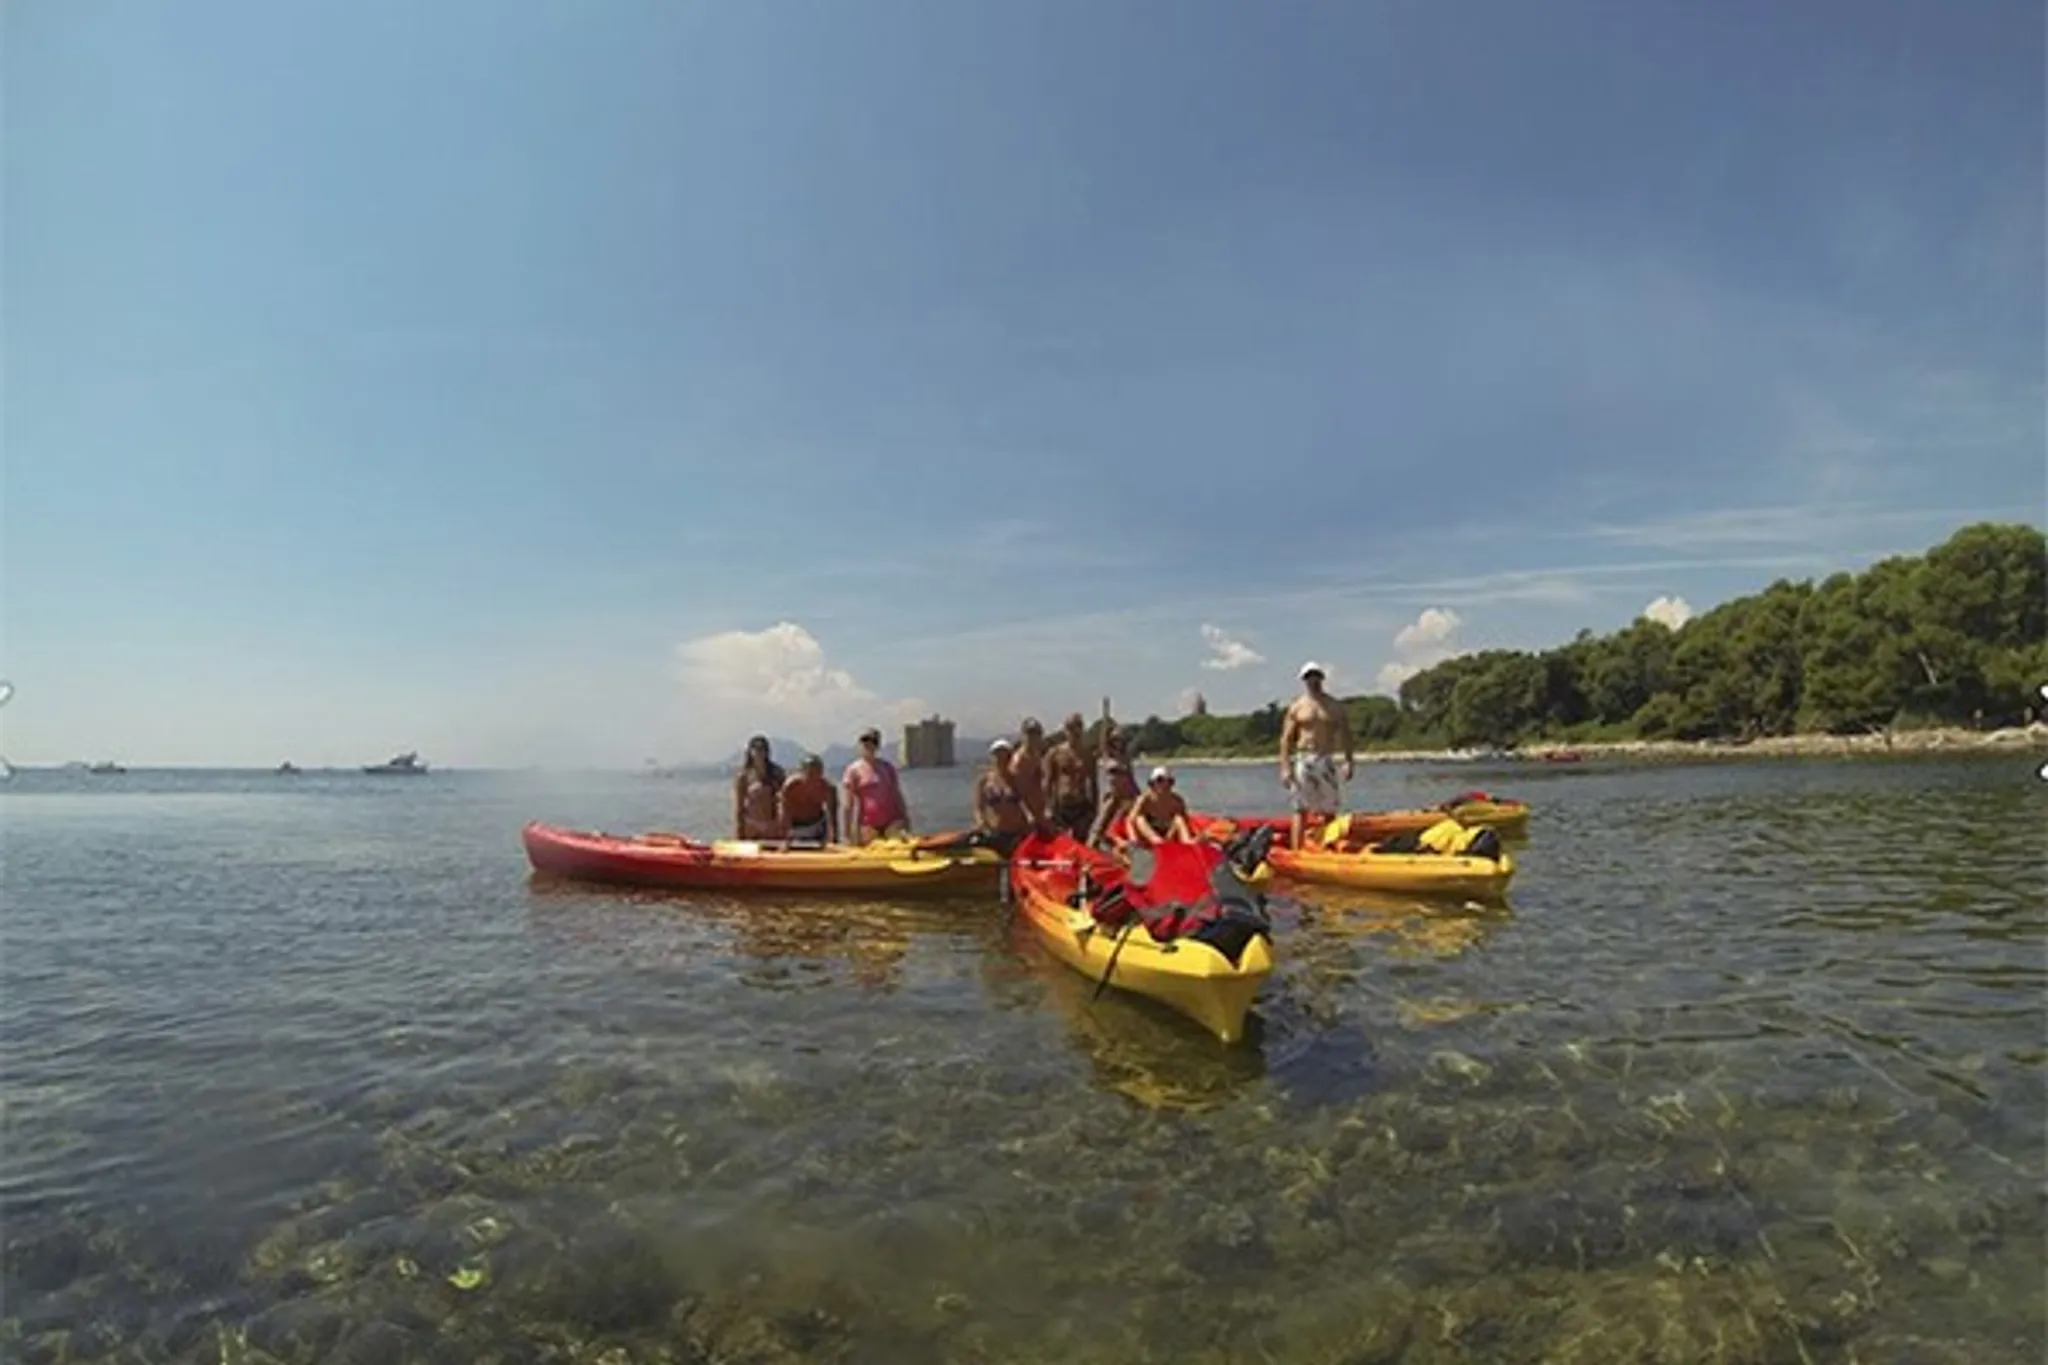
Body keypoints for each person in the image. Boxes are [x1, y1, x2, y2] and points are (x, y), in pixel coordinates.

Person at [1278, 661, 1356, 850]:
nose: (1313, 680)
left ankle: (1329, 847)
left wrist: (1349, 761)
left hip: (1326, 759)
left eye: (1316, 675)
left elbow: (1346, 735)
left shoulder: (1334, 706)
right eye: (1308, 676)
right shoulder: (1297, 707)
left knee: (1329, 808)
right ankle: (1297, 851)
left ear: (1321, 678)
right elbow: (1286, 739)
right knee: (1300, 808)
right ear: (1304, 680)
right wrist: (1285, 767)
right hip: (1304, 759)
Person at [841, 727, 912, 844]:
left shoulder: (887, 767)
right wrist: (847, 834)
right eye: (865, 741)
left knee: (897, 848)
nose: (869, 744)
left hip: (892, 821)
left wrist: (906, 818)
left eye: (873, 741)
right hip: (868, 824)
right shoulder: (853, 770)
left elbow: (897, 794)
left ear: (878, 745)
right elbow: (848, 805)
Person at [1042, 711, 1099, 841]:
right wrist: (1048, 807)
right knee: (1059, 842)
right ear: (1065, 730)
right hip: (1061, 807)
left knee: (1080, 843)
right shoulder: (1055, 753)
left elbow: (1093, 783)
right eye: (1071, 727)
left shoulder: (1088, 755)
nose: (1074, 731)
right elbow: (1047, 782)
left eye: (1078, 726)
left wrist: (1094, 810)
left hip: (1081, 806)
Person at [972, 738, 1032, 854]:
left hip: (1017, 833)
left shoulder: (1017, 780)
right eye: (998, 756)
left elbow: (1027, 803)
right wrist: (981, 822)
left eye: (1004, 756)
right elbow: (978, 807)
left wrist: (1030, 818)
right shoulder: (984, 781)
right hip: (995, 833)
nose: (1001, 759)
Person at [1088, 747, 1142, 850]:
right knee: (1100, 826)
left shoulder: (1125, 760)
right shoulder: (1106, 758)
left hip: (1125, 798)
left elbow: (1131, 781)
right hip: (1113, 797)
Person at [732, 735, 785, 840]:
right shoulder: (744, 776)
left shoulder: (776, 773)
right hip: (752, 824)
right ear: (750, 752)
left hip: (771, 824)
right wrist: (738, 832)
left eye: (763, 748)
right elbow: (739, 806)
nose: (759, 752)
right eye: (756, 748)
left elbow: (784, 801)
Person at [1128, 765, 1195, 845]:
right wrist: (1133, 838)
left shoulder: (1177, 801)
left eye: (1169, 781)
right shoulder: (1145, 799)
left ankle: (1187, 843)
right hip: (1148, 834)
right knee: (1140, 819)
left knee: (1179, 819)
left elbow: (1185, 821)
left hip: (1168, 834)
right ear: (1152, 784)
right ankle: (1156, 840)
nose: (1165, 784)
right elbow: (1130, 821)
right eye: (1160, 780)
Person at [780, 753, 838, 845]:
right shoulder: (790, 787)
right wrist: (785, 837)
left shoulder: (827, 788)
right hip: (796, 826)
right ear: (801, 772)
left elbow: (832, 816)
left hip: (817, 825)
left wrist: (833, 838)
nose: (813, 777)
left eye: (817, 772)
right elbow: (784, 812)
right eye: (810, 773)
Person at [1009, 716, 1052, 833]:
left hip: (1039, 811)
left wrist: (1047, 807)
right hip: (1027, 815)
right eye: (1030, 734)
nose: (1033, 738)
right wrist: (1027, 814)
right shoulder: (1020, 760)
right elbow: (1016, 791)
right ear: (1023, 736)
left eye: (1036, 734)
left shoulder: (1037, 755)